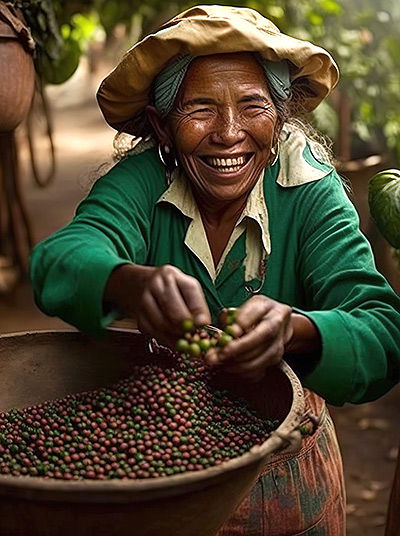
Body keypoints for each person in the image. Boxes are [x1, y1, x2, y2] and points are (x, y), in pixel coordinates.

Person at [30, 5, 400, 535]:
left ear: (280, 115)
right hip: (160, 462)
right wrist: (126, 282)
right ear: (161, 126)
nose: (228, 134)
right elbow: (58, 261)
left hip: (289, 478)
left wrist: (300, 330)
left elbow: (383, 330)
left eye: (253, 106)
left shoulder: (310, 194)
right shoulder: (142, 181)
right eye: (199, 109)